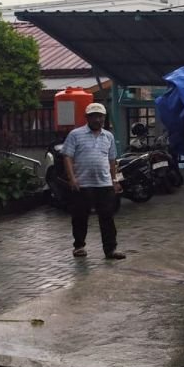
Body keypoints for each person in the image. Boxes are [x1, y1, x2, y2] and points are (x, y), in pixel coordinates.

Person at [62, 103, 126, 259]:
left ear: (104, 118)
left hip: (104, 184)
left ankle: (110, 249)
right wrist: (72, 178)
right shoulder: (75, 134)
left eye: (100, 116)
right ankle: (79, 246)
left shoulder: (108, 136)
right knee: (80, 217)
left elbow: (112, 160)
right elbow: (67, 157)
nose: (98, 119)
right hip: (82, 184)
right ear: (87, 118)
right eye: (94, 116)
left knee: (107, 217)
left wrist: (114, 180)